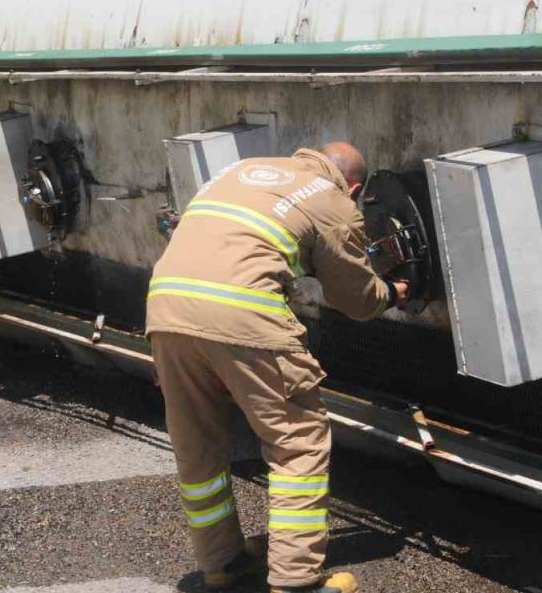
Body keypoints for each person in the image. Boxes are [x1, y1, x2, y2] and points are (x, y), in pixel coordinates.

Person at [146, 141, 408, 593]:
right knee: (297, 443)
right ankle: (296, 582)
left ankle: (222, 565)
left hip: (166, 309)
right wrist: (392, 292)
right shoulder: (332, 200)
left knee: (197, 442)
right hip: (241, 312)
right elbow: (356, 301)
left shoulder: (245, 168)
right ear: (354, 187)